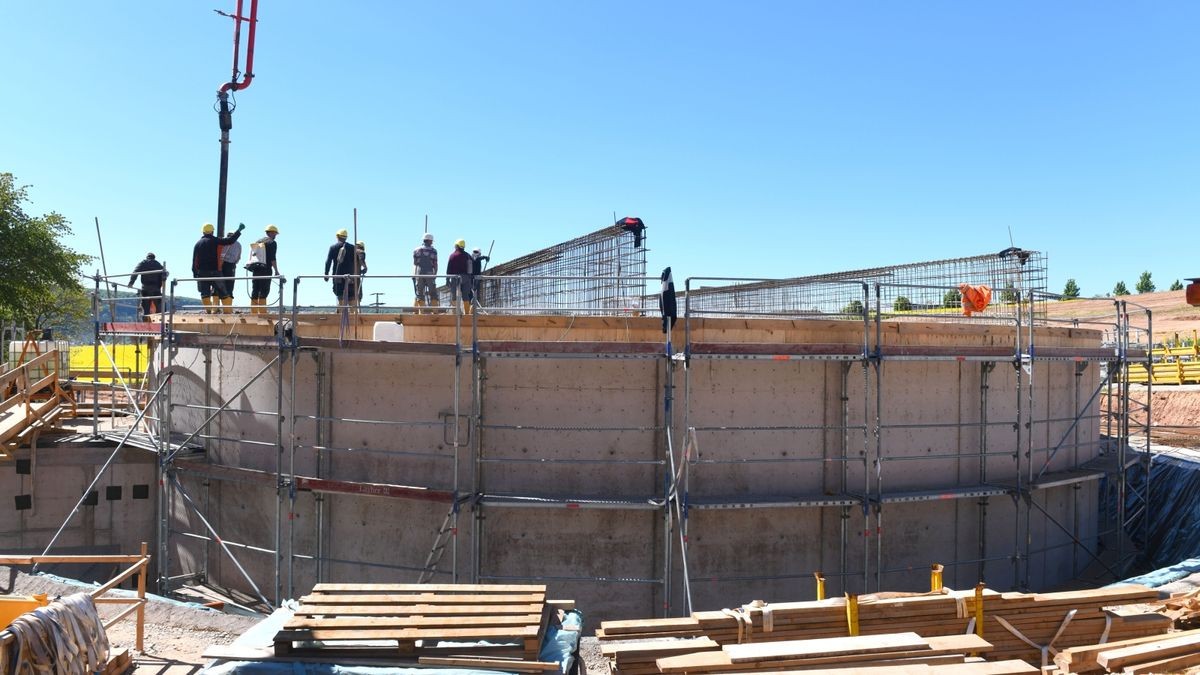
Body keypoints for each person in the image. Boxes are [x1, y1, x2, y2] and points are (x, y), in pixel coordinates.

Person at [192, 222, 244, 314]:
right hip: (214, 272)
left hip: (201, 273)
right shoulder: (215, 240)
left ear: (203, 232)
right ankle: (228, 312)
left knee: (205, 293)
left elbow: (194, 261)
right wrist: (238, 231)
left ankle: (209, 312)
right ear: (212, 231)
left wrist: (195, 274)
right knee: (224, 292)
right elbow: (230, 241)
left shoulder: (197, 244)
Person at [246, 224, 280, 314]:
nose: (276, 235)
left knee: (255, 289)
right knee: (264, 290)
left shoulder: (258, 241)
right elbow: (273, 258)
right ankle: (262, 312)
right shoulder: (272, 242)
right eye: (275, 233)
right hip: (266, 269)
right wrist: (276, 271)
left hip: (256, 269)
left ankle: (253, 312)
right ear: (272, 233)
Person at [324, 228, 357, 307]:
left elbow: (328, 261)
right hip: (350, 277)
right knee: (352, 298)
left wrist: (326, 274)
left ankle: (340, 317)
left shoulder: (333, 247)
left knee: (340, 298)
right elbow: (356, 262)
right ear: (346, 237)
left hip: (338, 277)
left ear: (337, 236)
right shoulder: (352, 248)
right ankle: (353, 316)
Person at [129, 252, 166, 318]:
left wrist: (131, 283)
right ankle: (160, 323)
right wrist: (161, 282)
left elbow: (135, 272)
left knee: (146, 308)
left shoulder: (143, 263)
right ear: (154, 258)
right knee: (159, 307)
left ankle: (146, 323)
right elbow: (164, 274)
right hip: (156, 289)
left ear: (147, 257)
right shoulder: (158, 264)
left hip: (145, 288)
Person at [412, 233, 439, 310]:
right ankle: (435, 311)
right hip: (430, 273)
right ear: (430, 241)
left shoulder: (416, 250)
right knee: (433, 292)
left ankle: (420, 312)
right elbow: (435, 264)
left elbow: (415, 263)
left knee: (419, 293)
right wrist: (435, 275)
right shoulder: (434, 251)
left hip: (419, 273)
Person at [446, 239, 472, 314]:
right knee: (466, 296)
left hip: (455, 278)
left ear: (456, 246)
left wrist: (447, 280)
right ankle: (467, 313)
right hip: (466, 278)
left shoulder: (452, 256)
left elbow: (449, 269)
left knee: (454, 295)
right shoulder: (468, 255)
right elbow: (471, 268)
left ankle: (455, 312)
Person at [220, 234, 242, 312]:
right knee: (229, 287)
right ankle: (227, 310)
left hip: (220, 265)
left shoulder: (222, 242)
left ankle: (214, 309)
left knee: (217, 286)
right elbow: (238, 258)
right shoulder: (238, 244)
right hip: (231, 266)